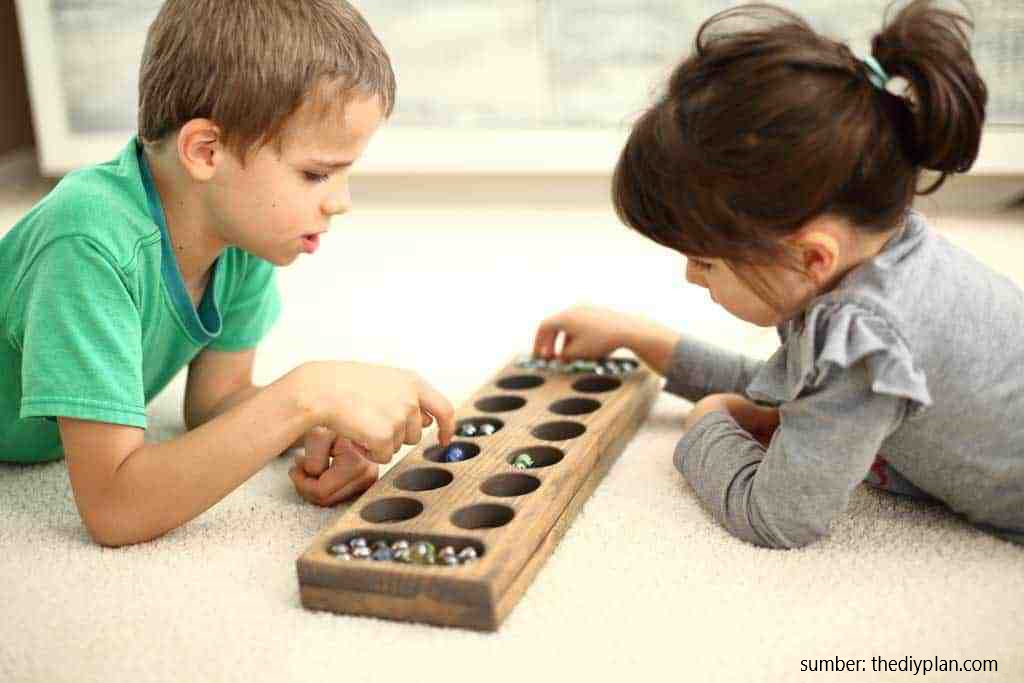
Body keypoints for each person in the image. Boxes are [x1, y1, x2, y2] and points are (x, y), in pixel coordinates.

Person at [534, 0, 1024, 548]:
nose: (693, 278)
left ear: (812, 257)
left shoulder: (867, 340)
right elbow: (798, 386)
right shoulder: (879, 245)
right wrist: (643, 338)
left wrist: (706, 425)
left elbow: (777, 516)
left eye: (706, 261)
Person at [0, 0, 455, 547]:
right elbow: (115, 507)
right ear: (206, 150)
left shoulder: (240, 236)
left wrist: (315, 424)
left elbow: (215, 403)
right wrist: (305, 394)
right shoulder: (87, 243)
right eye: (315, 174)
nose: (341, 202)